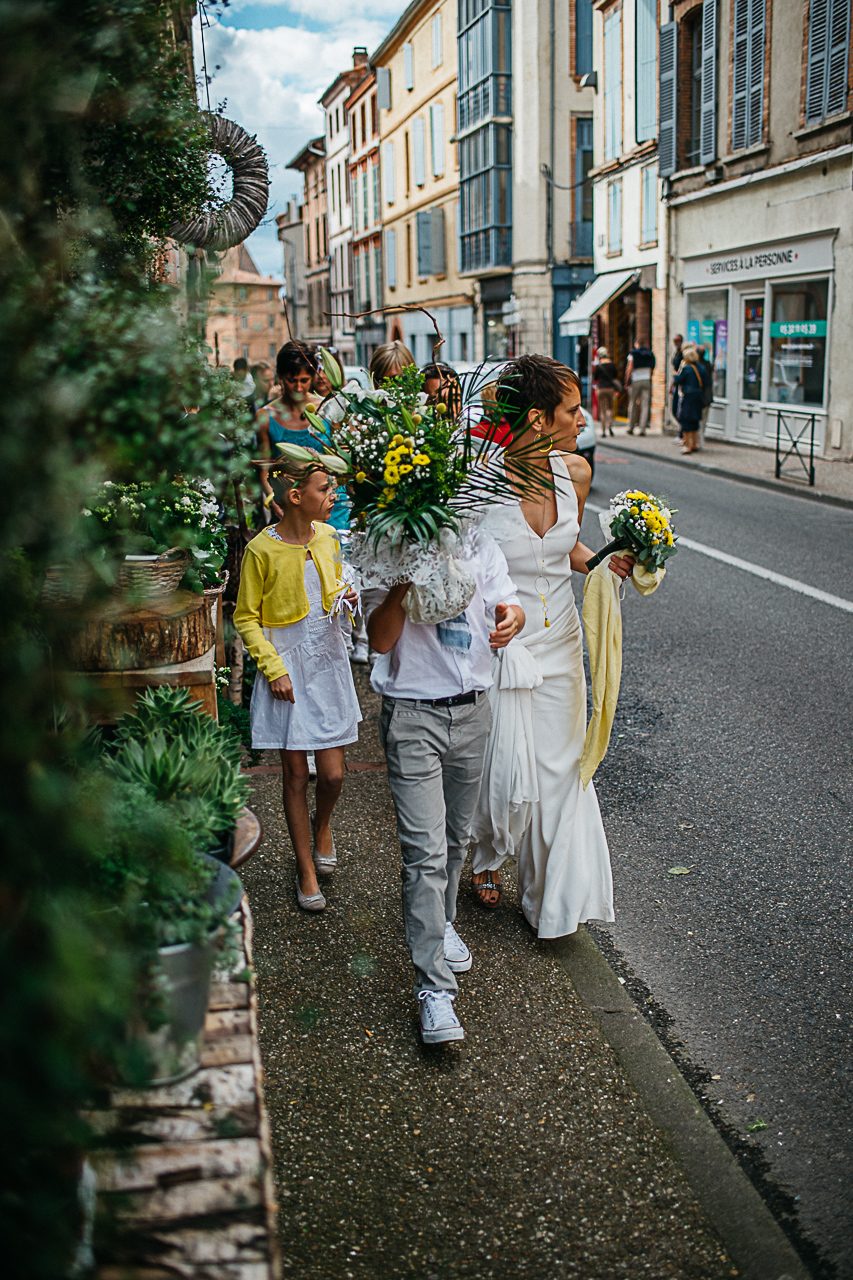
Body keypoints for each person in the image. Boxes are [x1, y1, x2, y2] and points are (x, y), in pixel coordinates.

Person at [470, 354, 634, 937]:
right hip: (500, 643)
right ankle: (486, 856)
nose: (582, 417)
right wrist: (493, 614)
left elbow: (568, 550)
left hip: (561, 638)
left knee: (561, 770)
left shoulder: (576, 474)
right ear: (537, 418)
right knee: (504, 765)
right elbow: (463, 571)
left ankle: (552, 905)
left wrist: (612, 566)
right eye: (570, 409)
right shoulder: (479, 484)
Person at [367, 537, 525, 1045]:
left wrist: (512, 619)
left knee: (457, 839)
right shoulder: (387, 546)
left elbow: (508, 600)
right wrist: (403, 582)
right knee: (425, 856)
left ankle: (443, 921)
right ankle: (434, 991)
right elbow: (380, 640)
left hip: (475, 709)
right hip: (414, 715)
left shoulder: (480, 543)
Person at [234, 450, 361, 913]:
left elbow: (335, 589)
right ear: (295, 496)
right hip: (286, 665)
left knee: (331, 773)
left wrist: (347, 595)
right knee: (294, 774)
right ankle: (305, 868)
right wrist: (273, 668)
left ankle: (322, 823)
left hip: (326, 661)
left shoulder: (329, 537)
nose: (334, 495)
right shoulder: (260, 550)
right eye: (325, 489)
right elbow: (245, 618)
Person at [256, 343, 326, 520]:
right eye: (291, 380)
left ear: (312, 378)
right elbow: (265, 466)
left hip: (329, 503)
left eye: (304, 380)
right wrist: (273, 499)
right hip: (287, 506)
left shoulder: (327, 408)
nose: (298, 388)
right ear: (280, 378)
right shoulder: (266, 416)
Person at [674, 344, 705, 454]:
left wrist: (675, 376)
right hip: (698, 396)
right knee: (695, 421)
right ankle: (695, 443)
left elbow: (678, 380)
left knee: (686, 420)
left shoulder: (687, 369)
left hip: (688, 396)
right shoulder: (700, 368)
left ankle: (688, 445)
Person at [624, 341, 655, 435]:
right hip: (646, 380)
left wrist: (627, 380)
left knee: (632, 404)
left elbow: (629, 368)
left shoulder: (633, 354)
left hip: (636, 380)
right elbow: (652, 367)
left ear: (637, 344)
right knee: (645, 405)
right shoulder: (650, 354)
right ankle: (643, 429)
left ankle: (631, 427)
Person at [591, 347, 620, 438]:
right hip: (610, 389)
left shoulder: (599, 366)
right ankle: (610, 426)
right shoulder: (612, 365)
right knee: (610, 409)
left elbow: (595, 378)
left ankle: (603, 431)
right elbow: (615, 376)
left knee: (602, 410)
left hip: (601, 389)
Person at [697, 344, 714, 443]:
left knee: (699, 419)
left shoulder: (697, 367)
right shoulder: (708, 364)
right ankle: (701, 436)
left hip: (700, 396)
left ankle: (699, 439)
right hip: (707, 396)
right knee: (704, 419)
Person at [669, 333, 684, 428]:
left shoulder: (683, 353)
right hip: (676, 382)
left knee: (677, 408)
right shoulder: (676, 352)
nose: (676, 343)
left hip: (680, 383)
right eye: (675, 341)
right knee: (674, 409)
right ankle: (682, 430)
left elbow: (679, 371)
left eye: (678, 341)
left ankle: (682, 431)